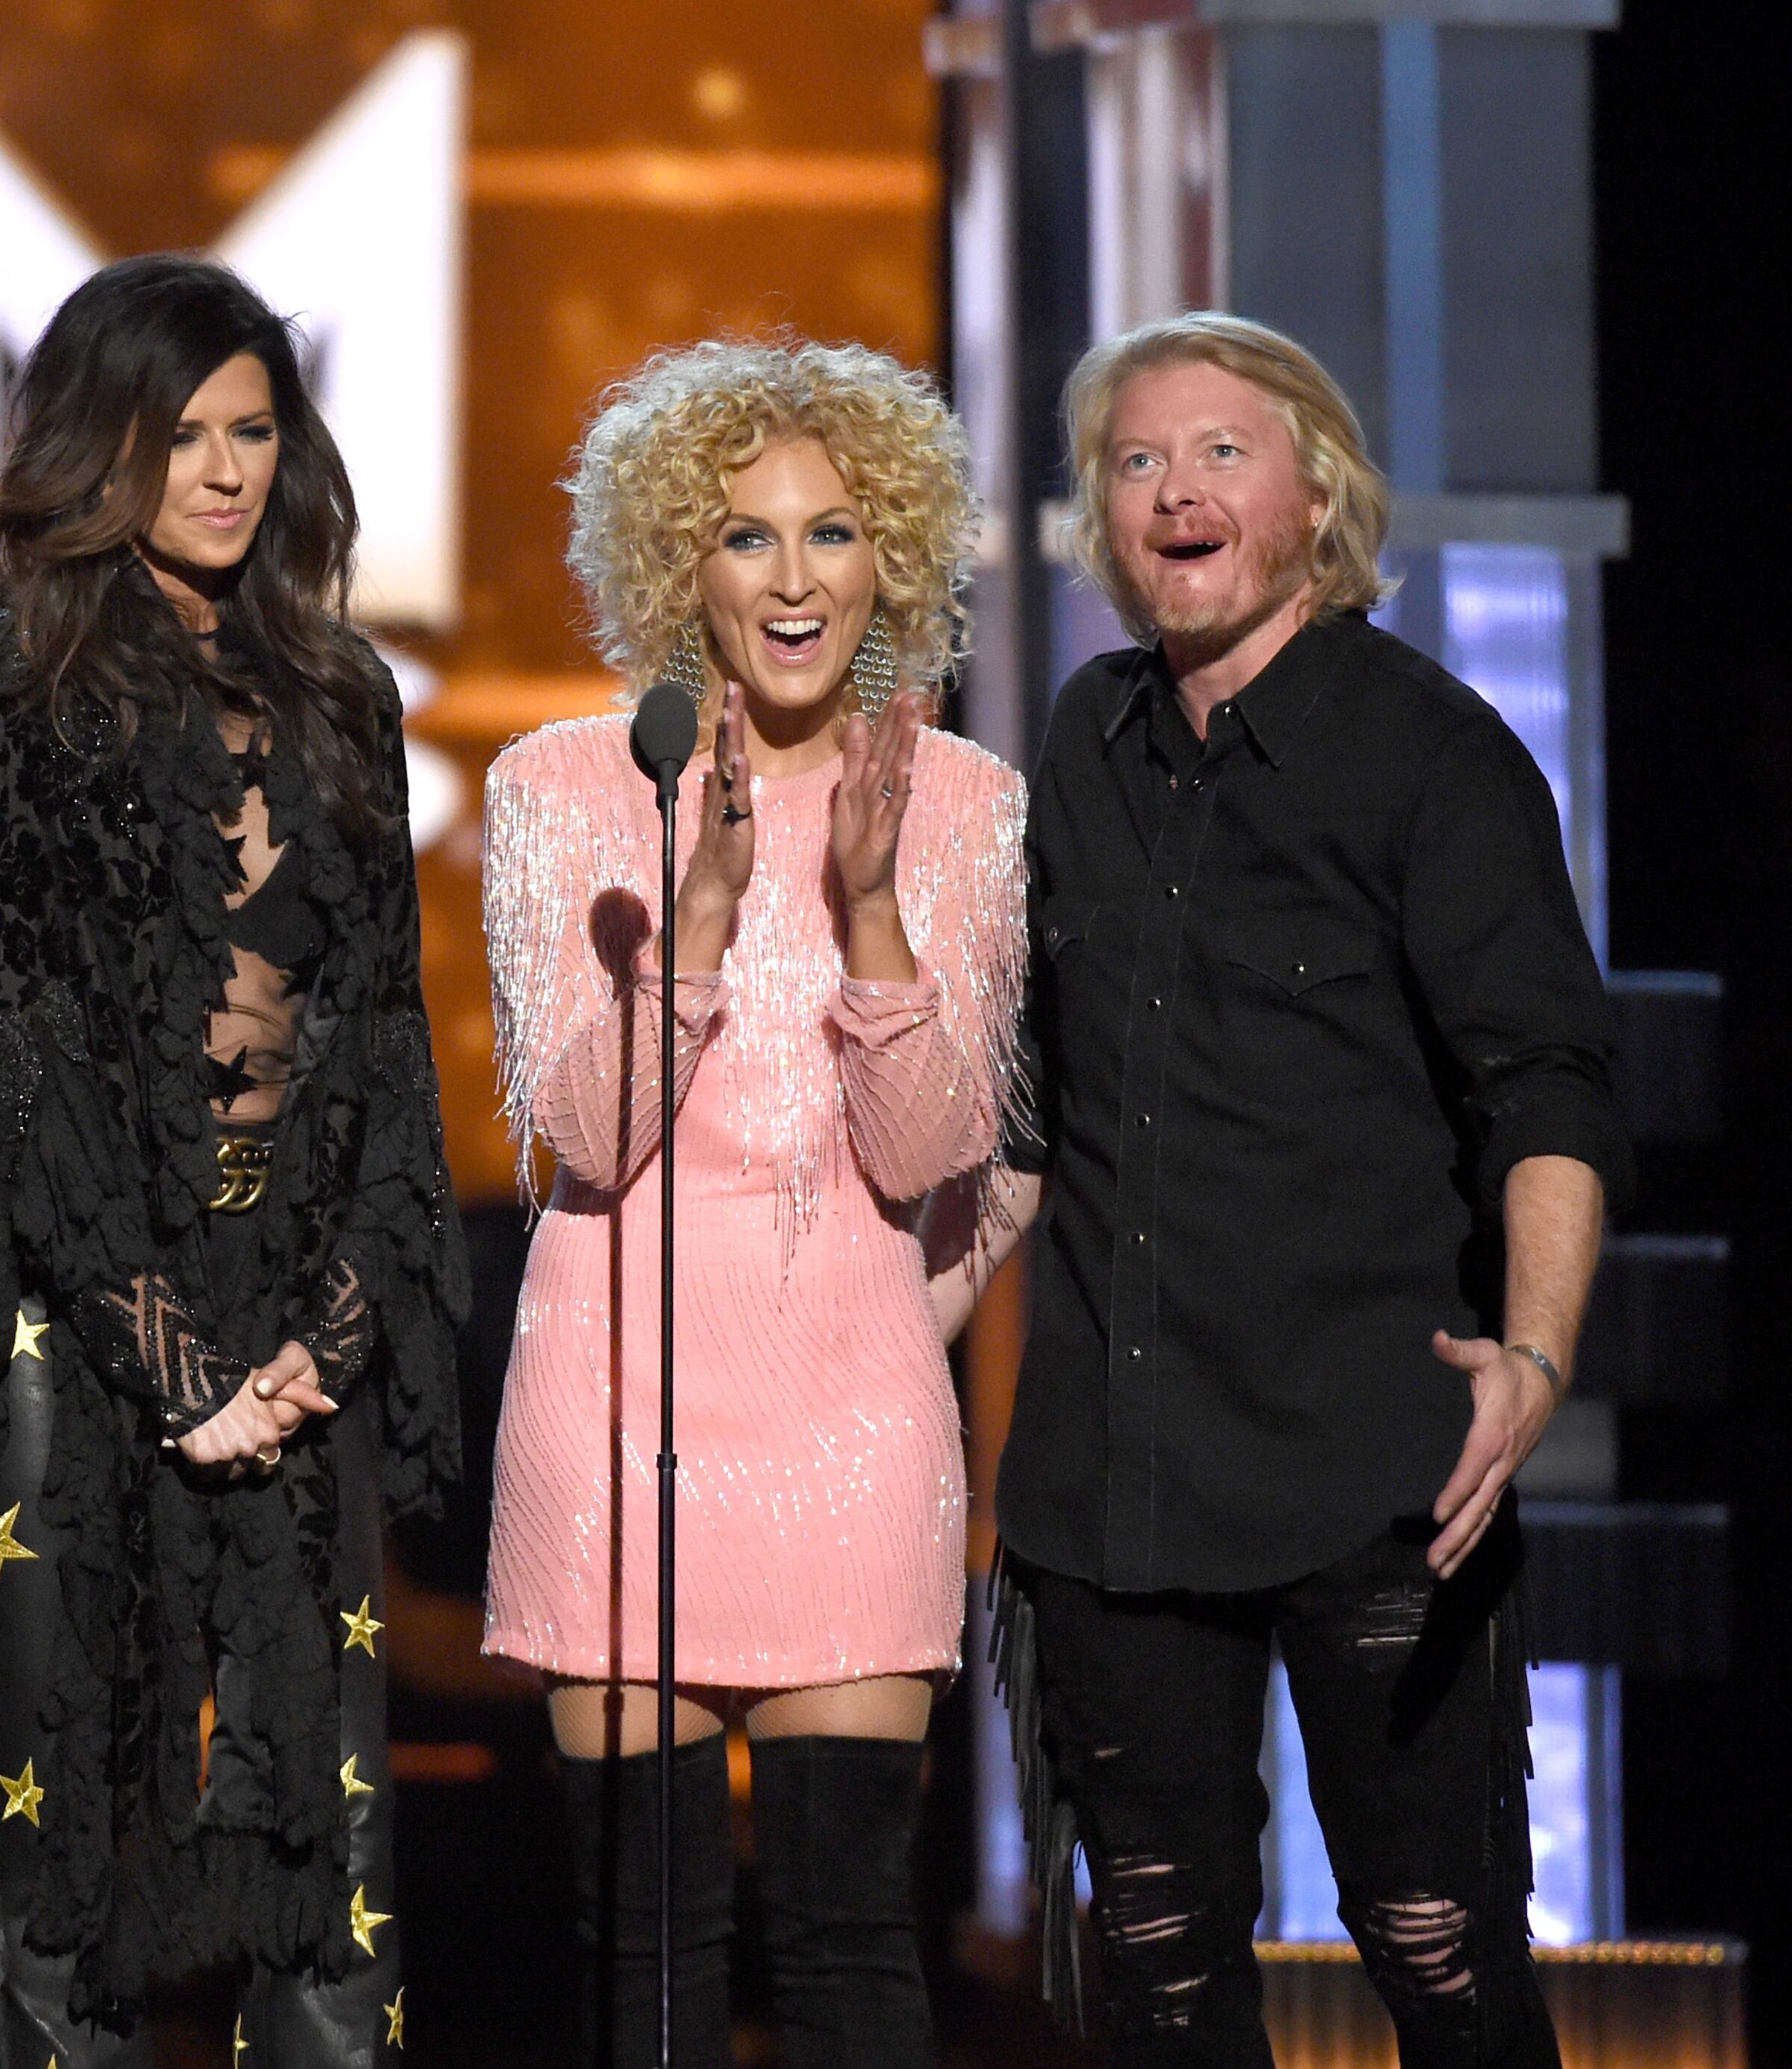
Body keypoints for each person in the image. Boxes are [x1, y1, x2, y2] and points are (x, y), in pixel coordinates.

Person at [991, 312, 1631, 2068]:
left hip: (1375, 1469)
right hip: (1117, 1495)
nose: (1173, 491)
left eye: (1218, 452)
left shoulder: (1433, 752)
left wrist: (1540, 1355)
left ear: (1316, 491)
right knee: (1160, 1969)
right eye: (1135, 462)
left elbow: (1549, 1086)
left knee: (1436, 1948)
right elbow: (1021, 1103)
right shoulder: (1082, 740)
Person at [0, 254, 467, 2068]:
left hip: (296, 1338)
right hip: (63, 1331)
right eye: (180, 431)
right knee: (62, 1892)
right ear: (92, 442)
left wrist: (330, 1334)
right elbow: (19, 1061)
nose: (223, 470)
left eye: (254, 430)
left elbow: (380, 1036)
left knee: (334, 1878)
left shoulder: (347, 693)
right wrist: (171, 1357)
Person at [479, 336, 1027, 2068]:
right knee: (645, 1952)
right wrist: (697, 923)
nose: (794, 582)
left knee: (855, 1941)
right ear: (674, 563)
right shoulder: (563, 787)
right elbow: (581, 1127)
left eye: (834, 534)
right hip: (617, 1407)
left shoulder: (967, 802)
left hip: (852, 1421)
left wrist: (869, 909)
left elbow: (942, 1154)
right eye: (746, 537)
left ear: (895, 559)